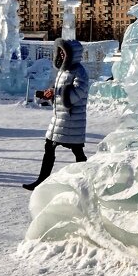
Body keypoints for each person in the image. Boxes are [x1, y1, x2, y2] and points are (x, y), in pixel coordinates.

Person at [23, 39, 89, 191]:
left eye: (63, 52)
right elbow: (59, 89)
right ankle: (41, 180)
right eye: (59, 51)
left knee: (77, 151)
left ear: (72, 54)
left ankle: (87, 178)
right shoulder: (63, 70)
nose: (60, 54)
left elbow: (77, 93)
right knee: (49, 147)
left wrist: (57, 92)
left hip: (72, 119)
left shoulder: (80, 72)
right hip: (59, 118)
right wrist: (50, 93)